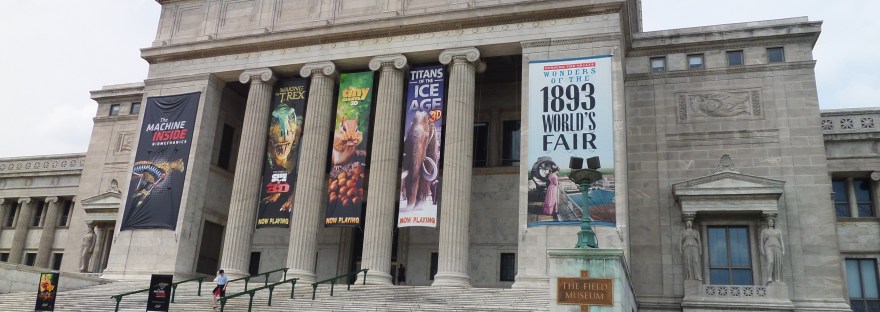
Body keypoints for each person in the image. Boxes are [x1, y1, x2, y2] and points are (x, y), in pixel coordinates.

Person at [761, 217, 784, 284]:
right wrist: (762, 250)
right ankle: (769, 277)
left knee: (777, 263)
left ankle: (777, 279)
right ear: (767, 223)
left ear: (773, 223)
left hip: (777, 246)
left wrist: (783, 250)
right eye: (769, 222)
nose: (770, 223)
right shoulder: (764, 231)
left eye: (772, 222)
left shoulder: (778, 231)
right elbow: (761, 241)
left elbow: (781, 240)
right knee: (770, 261)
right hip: (768, 246)